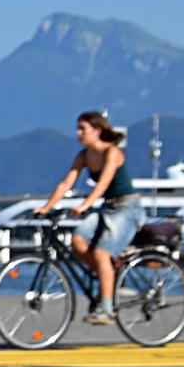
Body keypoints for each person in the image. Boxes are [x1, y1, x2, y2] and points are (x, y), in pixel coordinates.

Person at [35, 110, 140, 324]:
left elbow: (103, 183)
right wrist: (46, 207)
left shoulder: (112, 153)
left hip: (127, 209)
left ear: (98, 131)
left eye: (83, 129)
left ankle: (107, 309)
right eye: (78, 128)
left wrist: (85, 205)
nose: (78, 133)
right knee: (78, 241)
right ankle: (108, 277)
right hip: (107, 209)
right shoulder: (84, 156)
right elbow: (66, 184)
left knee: (101, 254)